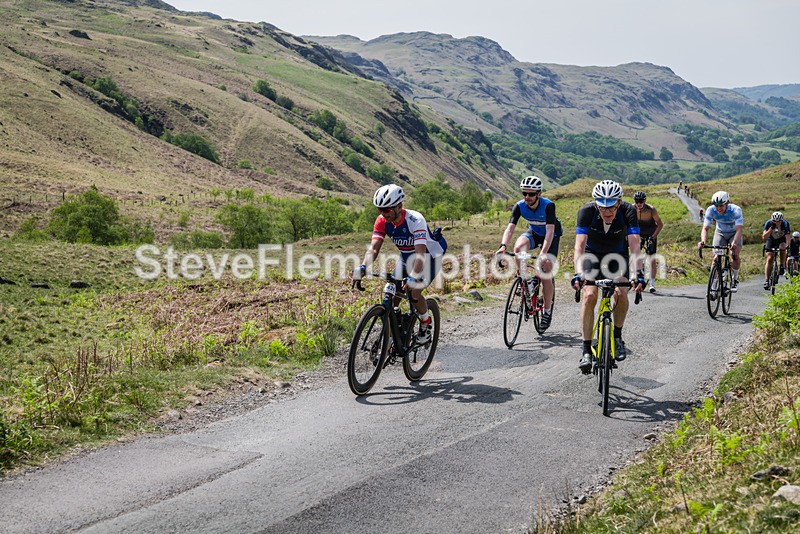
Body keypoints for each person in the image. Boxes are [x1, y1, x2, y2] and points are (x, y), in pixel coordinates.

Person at [354, 184, 446, 343]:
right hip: (406, 256)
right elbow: (374, 249)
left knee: (415, 292)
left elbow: (420, 254)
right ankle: (394, 332)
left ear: (399, 206)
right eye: (380, 210)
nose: (384, 213)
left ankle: (426, 324)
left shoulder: (415, 220)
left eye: (387, 210)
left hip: (429, 256)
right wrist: (362, 267)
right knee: (393, 296)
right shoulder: (382, 221)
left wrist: (413, 277)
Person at [571, 180, 645, 374]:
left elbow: (635, 246)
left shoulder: (628, 212)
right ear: (596, 204)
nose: (607, 212)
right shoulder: (586, 212)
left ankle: (618, 337)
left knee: (621, 292)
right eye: (602, 207)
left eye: (611, 207)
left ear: (619, 203)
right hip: (591, 255)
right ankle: (586, 349)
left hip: (617, 257)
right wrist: (578, 273)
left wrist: (638, 274)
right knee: (589, 296)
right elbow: (579, 246)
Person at [496, 175, 562, 330]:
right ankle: (524, 279)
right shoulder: (519, 206)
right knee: (518, 249)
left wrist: (544, 252)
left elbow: (550, 231)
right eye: (524, 193)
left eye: (531, 194)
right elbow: (510, 227)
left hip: (551, 236)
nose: (527, 197)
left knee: (545, 270)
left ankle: (546, 311)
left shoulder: (548, 206)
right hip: (534, 232)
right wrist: (503, 246)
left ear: (539, 194)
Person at [698, 191, 744, 292]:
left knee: (734, 254)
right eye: (716, 205)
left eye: (721, 205)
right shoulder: (711, 210)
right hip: (720, 233)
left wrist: (734, 242)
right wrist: (703, 241)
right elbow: (705, 228)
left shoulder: (736, 210)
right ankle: (714, 283)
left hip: (734, 233)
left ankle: (735, 279)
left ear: (727, 203)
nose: (718, 208)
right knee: (715, 257)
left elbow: (739, 229)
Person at [632, 191, 664, 293]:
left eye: (641, 201)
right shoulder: (632, 209)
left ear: (645, 201)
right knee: (635, 255)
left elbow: (660, 224)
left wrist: (653, 237)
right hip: (639, 234)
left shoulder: (651, 210)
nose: (639, 204)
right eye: (637, 201)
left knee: (652, 259)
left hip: (651, 234)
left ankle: (652, 284)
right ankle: (634, 278)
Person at [762, 211, 791, 288]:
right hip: (771, 240)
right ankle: (767, 280)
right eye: (774, 221)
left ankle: (782, 266)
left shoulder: (785, 224)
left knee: (783, 248)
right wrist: (771, 229)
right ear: (772, 220)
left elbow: (787, 236)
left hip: (781, 240)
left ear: (782, 220)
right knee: (770, 258)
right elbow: (764, 237)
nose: (777, 223)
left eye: (779, 221)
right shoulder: (768, 223)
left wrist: (787, 245)